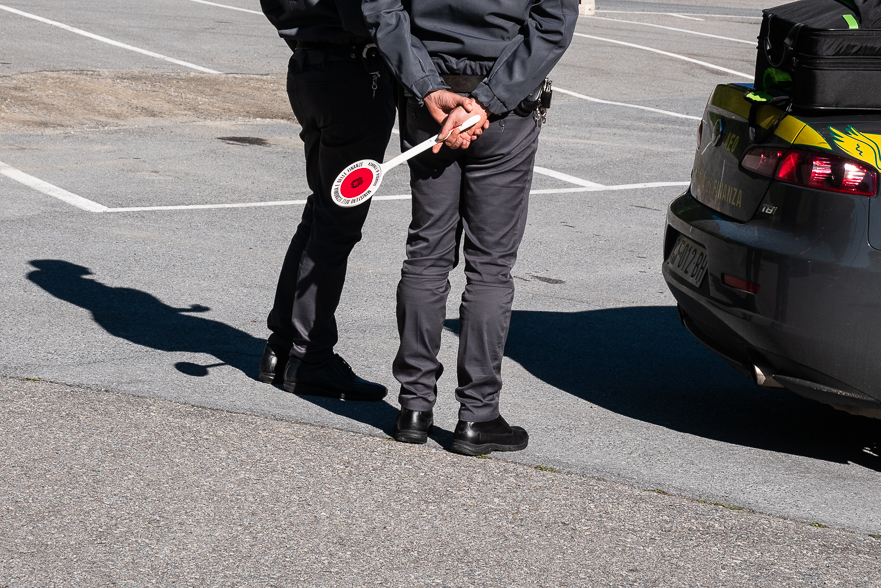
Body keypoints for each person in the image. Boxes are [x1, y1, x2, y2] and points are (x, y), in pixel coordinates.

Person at [365, 0, 579, 453]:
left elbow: (381, 8)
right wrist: (487, 101)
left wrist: (427, 87)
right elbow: (553, 24)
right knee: (490, 267)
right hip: (502, 111)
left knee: (426, 255)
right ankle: (477, 416)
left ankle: (414, 407)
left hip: (431, 102)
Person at [257, 0, 475, 400]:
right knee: (336, 223)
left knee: (321, 212)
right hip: (353, 71)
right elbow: (373, 9)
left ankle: (283, 344)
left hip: (309, 66)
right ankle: (310, 357)